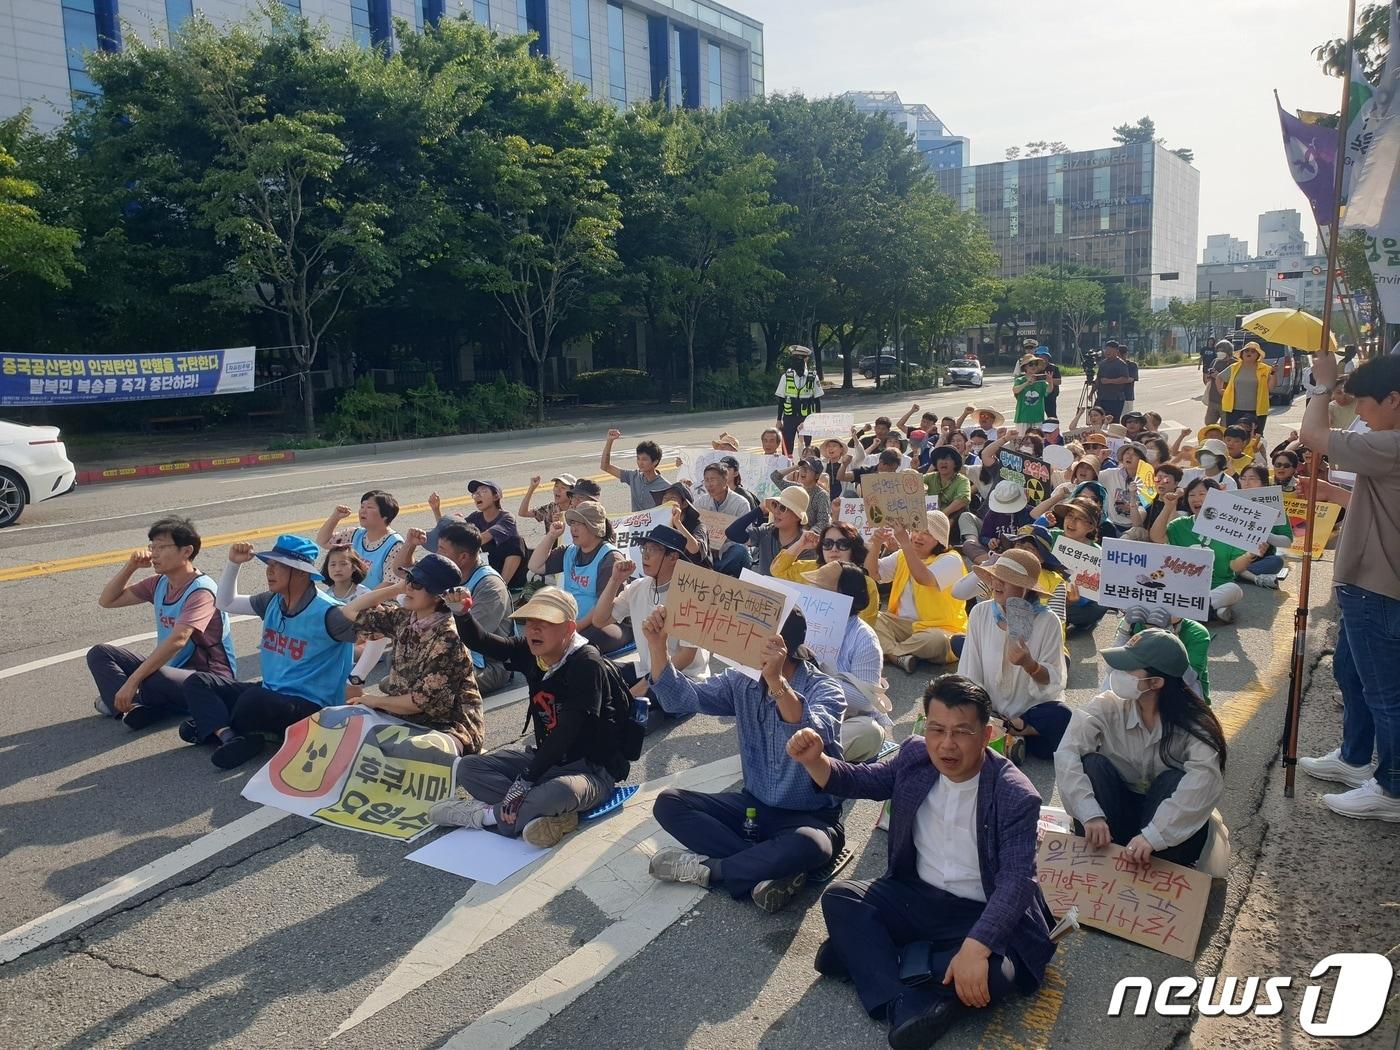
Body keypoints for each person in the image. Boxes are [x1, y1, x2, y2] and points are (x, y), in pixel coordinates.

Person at [791, 674, 1055, 1048]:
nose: (946, 745)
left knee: (999, 974)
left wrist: (977, 947)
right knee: (841, 897)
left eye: (962, 732)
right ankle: (905, 998)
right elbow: (862, 781)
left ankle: (869, 959)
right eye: (936, 729)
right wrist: (815, 760)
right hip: (916, 895)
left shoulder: (1014, 794)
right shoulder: (916, 755)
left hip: (977, 911)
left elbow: (1016, 880)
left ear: (986, 733)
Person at [643, 607, 847, 914]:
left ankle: (713, 870)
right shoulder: (741, 682)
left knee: (812, 845)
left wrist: (776, 681)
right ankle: (768, 867)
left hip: (810, 817)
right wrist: (657, 647)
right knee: (669, 803)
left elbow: (807, 732)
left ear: (782, 645)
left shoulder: (825, 688)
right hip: (754, 808)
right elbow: (680, 699)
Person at [429, 587, 636, 847]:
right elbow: (484, 641)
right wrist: (461, 613)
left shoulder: (586, 662)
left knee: (560, 791)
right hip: (547, 760)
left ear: (569, 628)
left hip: (591, 770)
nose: (533, 630)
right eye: (529, 622)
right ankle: (544, 816)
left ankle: (483, 816)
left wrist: (526, 778)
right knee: (469, 767)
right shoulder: (531, 651)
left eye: (545, 622)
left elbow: (569, 728)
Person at [1297, 352, 1400, 821]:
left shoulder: (1391, 443)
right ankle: (1357, 759)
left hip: (1378, 586)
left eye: (1362, 403)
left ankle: (1391, 788)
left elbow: (1312, 436)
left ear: (1394, 400)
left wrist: (1321, 385)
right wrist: (1340, 496)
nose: (1357, 413)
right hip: (1367, 583)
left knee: (1384, 692)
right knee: (1352, 674)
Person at [1055, 628, 1229, 872]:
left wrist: (1153, 836)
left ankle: (1156, 865)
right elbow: (1067, 752)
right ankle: (1102, 851)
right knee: (1092, 764)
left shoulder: (1195, 726)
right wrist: (1090, 814)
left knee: (1174, 780)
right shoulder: (1107, 706)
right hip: (1115, 815)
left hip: (1166, 831)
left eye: (1128, 669)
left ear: (1156, 682)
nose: (1118, 674)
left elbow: (1203, 782)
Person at [182, 535, 356, 769]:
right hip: (272, 692)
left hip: (311, 707)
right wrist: (234, 563)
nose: (269, 571)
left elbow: (377, 637)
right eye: (269, 565)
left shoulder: (329, 613)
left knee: (251, 700)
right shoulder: (273, 601)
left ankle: (215, 725)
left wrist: (359, 677)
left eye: (278, 566)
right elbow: (225, 603)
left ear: (301, 572)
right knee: (198, 681)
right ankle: (229, 736)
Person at [89, 516, 237, 731]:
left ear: (186, 551)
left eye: (162, 547)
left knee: (151, 677)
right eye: (152, 546)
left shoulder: (201, 591)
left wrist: (131, 682)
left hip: (207, 681)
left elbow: (178, 640)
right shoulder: (159, 583)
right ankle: (137, 707)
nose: (153, 553)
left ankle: (133, 703)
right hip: (170, 674)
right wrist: (130, 566)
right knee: (100, 653)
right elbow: (107, 601)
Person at [336, 553, 486, 754]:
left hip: (446, 725)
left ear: (437, 595)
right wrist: (398, 587)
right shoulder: (405, 616)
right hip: (404, 714)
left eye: (417, 584)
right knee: (344, 725)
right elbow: (350, 610)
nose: (409, 587)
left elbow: (419, 702)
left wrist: (375, 700)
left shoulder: (448, 637)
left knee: (409, 751)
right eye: (410, 579)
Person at [957, 550, 1069, 762]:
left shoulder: (1048, 622)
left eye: (1006, 580)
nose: (997, 584)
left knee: (1062, 716)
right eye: (995, 577)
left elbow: (1054, 680)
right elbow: (970, 671)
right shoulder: (980, 613)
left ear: (1026, 589)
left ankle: (1010, 732)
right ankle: (1004, 736)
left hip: (1030, 712)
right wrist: (978, 709)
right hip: (989, 710)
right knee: (952, 701)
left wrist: (1030, 664)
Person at [592, 524, 709, 721]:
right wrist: (615, 580)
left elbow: (686, 656)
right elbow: (600, 620)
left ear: (673, 557)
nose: (645, 555)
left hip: (684, 676)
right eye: (644, 549)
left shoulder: (691, 595)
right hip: (648, 670)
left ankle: (667, 708)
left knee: (631, 713)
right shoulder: (638, 586)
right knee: (596, 667)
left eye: (653, 550)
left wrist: (646, 684)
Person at [802, 561, 891, 762]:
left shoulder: (863, 637)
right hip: (802, 714)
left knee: (869, 732)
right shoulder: (802, 623)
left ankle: (802, 758)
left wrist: (817, 674)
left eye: (821, 590)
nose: (812, 593)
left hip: (845, 719)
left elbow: (865, 701)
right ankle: (801, 757)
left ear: (844, 597)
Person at [867, 513, 968, 674]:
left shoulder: (952, 559)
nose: (918, 536)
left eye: (927, 533)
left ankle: (890, 651)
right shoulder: (902, 555)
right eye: (916, 530)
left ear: (940, 539)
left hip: (939, 627)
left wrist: (905, 544)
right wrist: (876, 545)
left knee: (937, 640)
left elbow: (923, 578)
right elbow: (874, 573)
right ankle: (899, 654)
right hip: (901, 623)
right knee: (870, 617)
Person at [527, 501, 629, 653]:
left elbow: (606, 606)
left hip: (604, 621)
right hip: (572, 620)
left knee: (580, 646)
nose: (573, 528)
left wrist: (574, 629)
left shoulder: (610, 558)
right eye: (572, 523)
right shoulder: (570, 551)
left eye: (579, 524)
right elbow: (535, 566)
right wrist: (551, 536)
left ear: (594, 527)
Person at [428, 521, 514, 695]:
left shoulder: (490, 586)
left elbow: (471, 637)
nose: (437, 554)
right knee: (398, 678)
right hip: (449, 652)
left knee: (432, 686)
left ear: (463, 557)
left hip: (489, 663)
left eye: (442, 550)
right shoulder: (449, 574)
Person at [771, 521, 880, 627]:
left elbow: (865, 625)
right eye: (827, 544)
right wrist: (800, 545)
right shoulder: (810, 569)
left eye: (842, 544)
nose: (834, 549)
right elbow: (777, 570)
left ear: (853, 548)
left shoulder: (866, 583)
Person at [315, 490, 404, 589]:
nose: (363, 511)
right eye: (362, 507)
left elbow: (390, 583)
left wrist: (362, 601)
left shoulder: (395, 544)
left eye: (369, 507)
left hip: (377, 601)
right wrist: (335, 517)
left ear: (385, 515)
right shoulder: (354, 534)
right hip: (348, 596)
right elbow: (323, 541)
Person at [724, 486, 811, 577]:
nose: (776, 511)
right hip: (759, 588)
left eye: (783, 508)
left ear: (797, 516)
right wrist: (759, 510)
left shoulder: (806, 544)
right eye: (775, 505)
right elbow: (732, 533)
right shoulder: (766, 531)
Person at [601, 430, 672, 511]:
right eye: (638, 458)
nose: (640, 463)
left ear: (655, 461)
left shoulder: (666, 487)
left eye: (644, 459)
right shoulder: (633, 476)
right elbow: (605, 467)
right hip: (634, 522)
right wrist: (610, 441)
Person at [775, 345, 823, 456]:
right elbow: (781, 399)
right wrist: (778, 419)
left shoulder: (812, 377)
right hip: (789, 417)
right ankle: (788, 467)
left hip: (806, 418)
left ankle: (806, 468)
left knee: (807, 447)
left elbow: (817, 399)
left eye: (800, 358)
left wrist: (818, 418)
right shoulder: (786, 377)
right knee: (787, 447)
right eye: (795, 358)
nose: (797, 361)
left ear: (806, 358)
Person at [1217, 341, 1274, 434]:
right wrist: (1220, 390)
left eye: (1253, 351)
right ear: (1242, 354)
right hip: (1234, 409)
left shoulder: (1265, 369)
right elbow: (1219, 377)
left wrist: (1273, 374)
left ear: (1258, 355)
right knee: (1233, 435)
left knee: (1255, 436)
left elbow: (1270, 388)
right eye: (1246, 351)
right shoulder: (1234, 367)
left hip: (1257, 410)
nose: (1249, 353)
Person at [771, 457, 831, 533]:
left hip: (808, 537)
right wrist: (796, 467)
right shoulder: (795, 488)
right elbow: (775, 477)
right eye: (802, 468)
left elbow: (823, 521)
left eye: (808, 469)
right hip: (789, 532)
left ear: (817, 475)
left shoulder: (822, 495)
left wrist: (808, 534)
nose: (803, 472)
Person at [923, 446, 972, 522]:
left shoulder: (962, 480)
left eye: (948, 459)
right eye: (940, 459)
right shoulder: (929, 477)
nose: (943, 462)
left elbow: (964, 498)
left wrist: (942, 514)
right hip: (930, 519)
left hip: (954, 521)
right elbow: (914, 485)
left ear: (955, 463)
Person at [1093, 340, 1131, 420]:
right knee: (1097, 419)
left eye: (1110, 350)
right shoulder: (1103, 363)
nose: (1107, 352)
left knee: (1112, 422)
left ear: (1116, 351)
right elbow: (1098, 379)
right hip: (1101, 397)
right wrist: (1092, 392)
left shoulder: (1121, 364)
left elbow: (1125, 379)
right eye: (1106, 349)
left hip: (1115, 399)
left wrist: (1109, 381)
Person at [1012, 355, 1050, 431]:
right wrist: (1027, 383)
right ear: (1025, 367)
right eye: (1030, 364)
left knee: (1038, 440)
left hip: (1038, 417)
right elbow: (1015, 390)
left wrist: (1051, 382)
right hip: (1023, 417)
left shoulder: (1041, 381)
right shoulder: (1020, 380)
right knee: (1022, 440)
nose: (1033, 366)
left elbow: (1048, 391)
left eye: (1035, 364)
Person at [1202, 341, 1235, 427]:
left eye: (1222, 350)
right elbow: (1210, 374)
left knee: (1225, 426)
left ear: (1228, 351)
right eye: (1218, 350)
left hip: (1226, 400)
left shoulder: (1234, 363)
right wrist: (1209, 376)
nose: (1219, 352)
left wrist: (1218, 376)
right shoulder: (1215, 361)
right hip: (1213, 399)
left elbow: (1235, 380)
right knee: (1209, 423)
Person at [1036, 346, 1062, 418]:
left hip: (1051, 395)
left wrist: (1049, 380)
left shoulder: (1053, 368)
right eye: (1040, 356)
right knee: (1037, 415)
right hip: (1038, 395)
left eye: (1044, 356)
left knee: (1051, 415)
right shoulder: (1035, 368)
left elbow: (1059, 381)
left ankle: (1054, 428)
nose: (1042, 358)